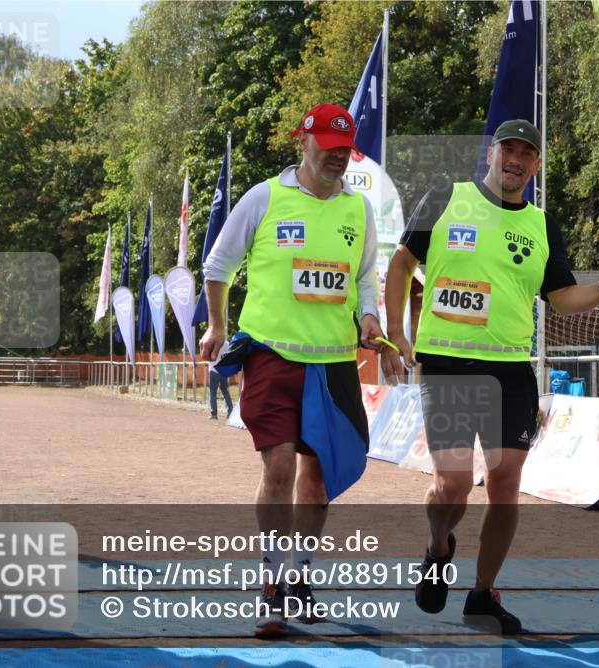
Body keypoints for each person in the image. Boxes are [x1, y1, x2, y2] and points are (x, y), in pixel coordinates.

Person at [380, 119, 599, 635]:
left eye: (528, 153)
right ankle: (439, 547)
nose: (517, 159)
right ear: (491, 153)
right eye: (509, 149)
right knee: (454, 485)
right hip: (447, 363)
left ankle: (482, 595)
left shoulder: (542, 225)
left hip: (510, 369)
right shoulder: (446, 198)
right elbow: (400, 266)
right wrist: (397, 329)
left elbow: (562, 300)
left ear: (536, 165)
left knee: (506, 485)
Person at [199, 103, 384, 638]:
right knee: (278, 470)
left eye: (345, 147)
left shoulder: (358, 209)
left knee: (320, 479)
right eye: (327, 144)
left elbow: (366, 275)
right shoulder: (264, 197)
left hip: (333, 364)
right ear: (302, 142)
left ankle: (301, 577)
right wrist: (215, 326)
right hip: (273, 356)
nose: (336, 155)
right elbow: (217, 267)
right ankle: (273, 584)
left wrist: (369, 315)